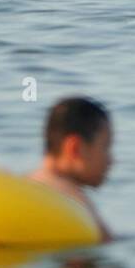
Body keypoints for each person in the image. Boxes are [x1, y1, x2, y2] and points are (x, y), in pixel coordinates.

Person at [29, 96, 114, 242]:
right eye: (106, 147)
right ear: (75, 148)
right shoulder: (72, 198)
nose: (111, 160)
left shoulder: (29, 182)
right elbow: (104, 241)